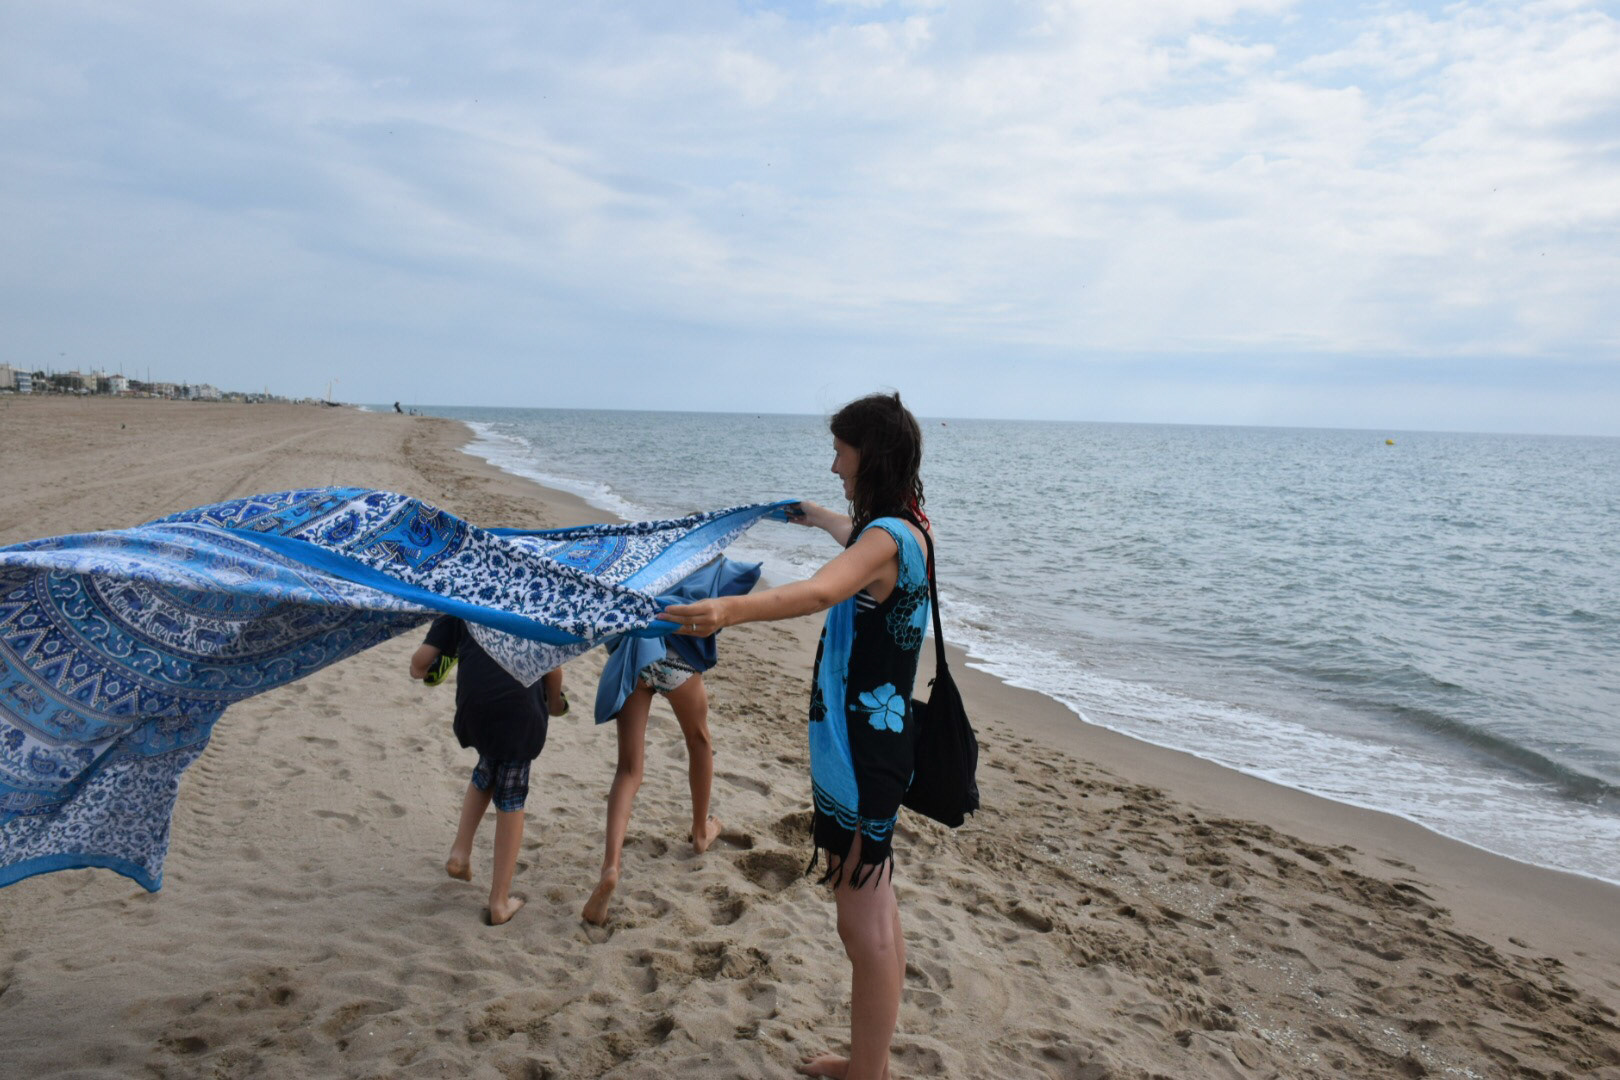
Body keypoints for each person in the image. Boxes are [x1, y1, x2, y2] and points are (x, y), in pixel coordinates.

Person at [665, 391, 933, 1080]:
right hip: (879, 738)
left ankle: (867, 1073)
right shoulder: (905, 528)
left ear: (870, 455)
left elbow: (819, 592)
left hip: (862, 750)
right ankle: (868, 1062)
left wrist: (727, 609)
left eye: (842, 451)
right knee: (878, 911)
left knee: (862, 923)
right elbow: (857, 545)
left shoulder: (884, 539)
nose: (835, 464)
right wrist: (814, 515)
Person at [581, 556, 761, 927]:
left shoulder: (655, 563)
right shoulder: (709, 568)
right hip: (678, 663)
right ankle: (700, 832)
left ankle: (610, 867)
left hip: (637, 658)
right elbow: (736, 587)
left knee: (628, 769)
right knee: (699, 741)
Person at [410, 615, 566, 925]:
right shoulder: (535, 604)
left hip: (475, 711)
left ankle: (460, 852)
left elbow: (419, 665)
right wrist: (554, 702)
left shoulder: (459, 605)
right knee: (511, 796)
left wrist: (445, 657)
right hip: (519, 713)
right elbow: (553, 668)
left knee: (487, 767)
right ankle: (499, 902)